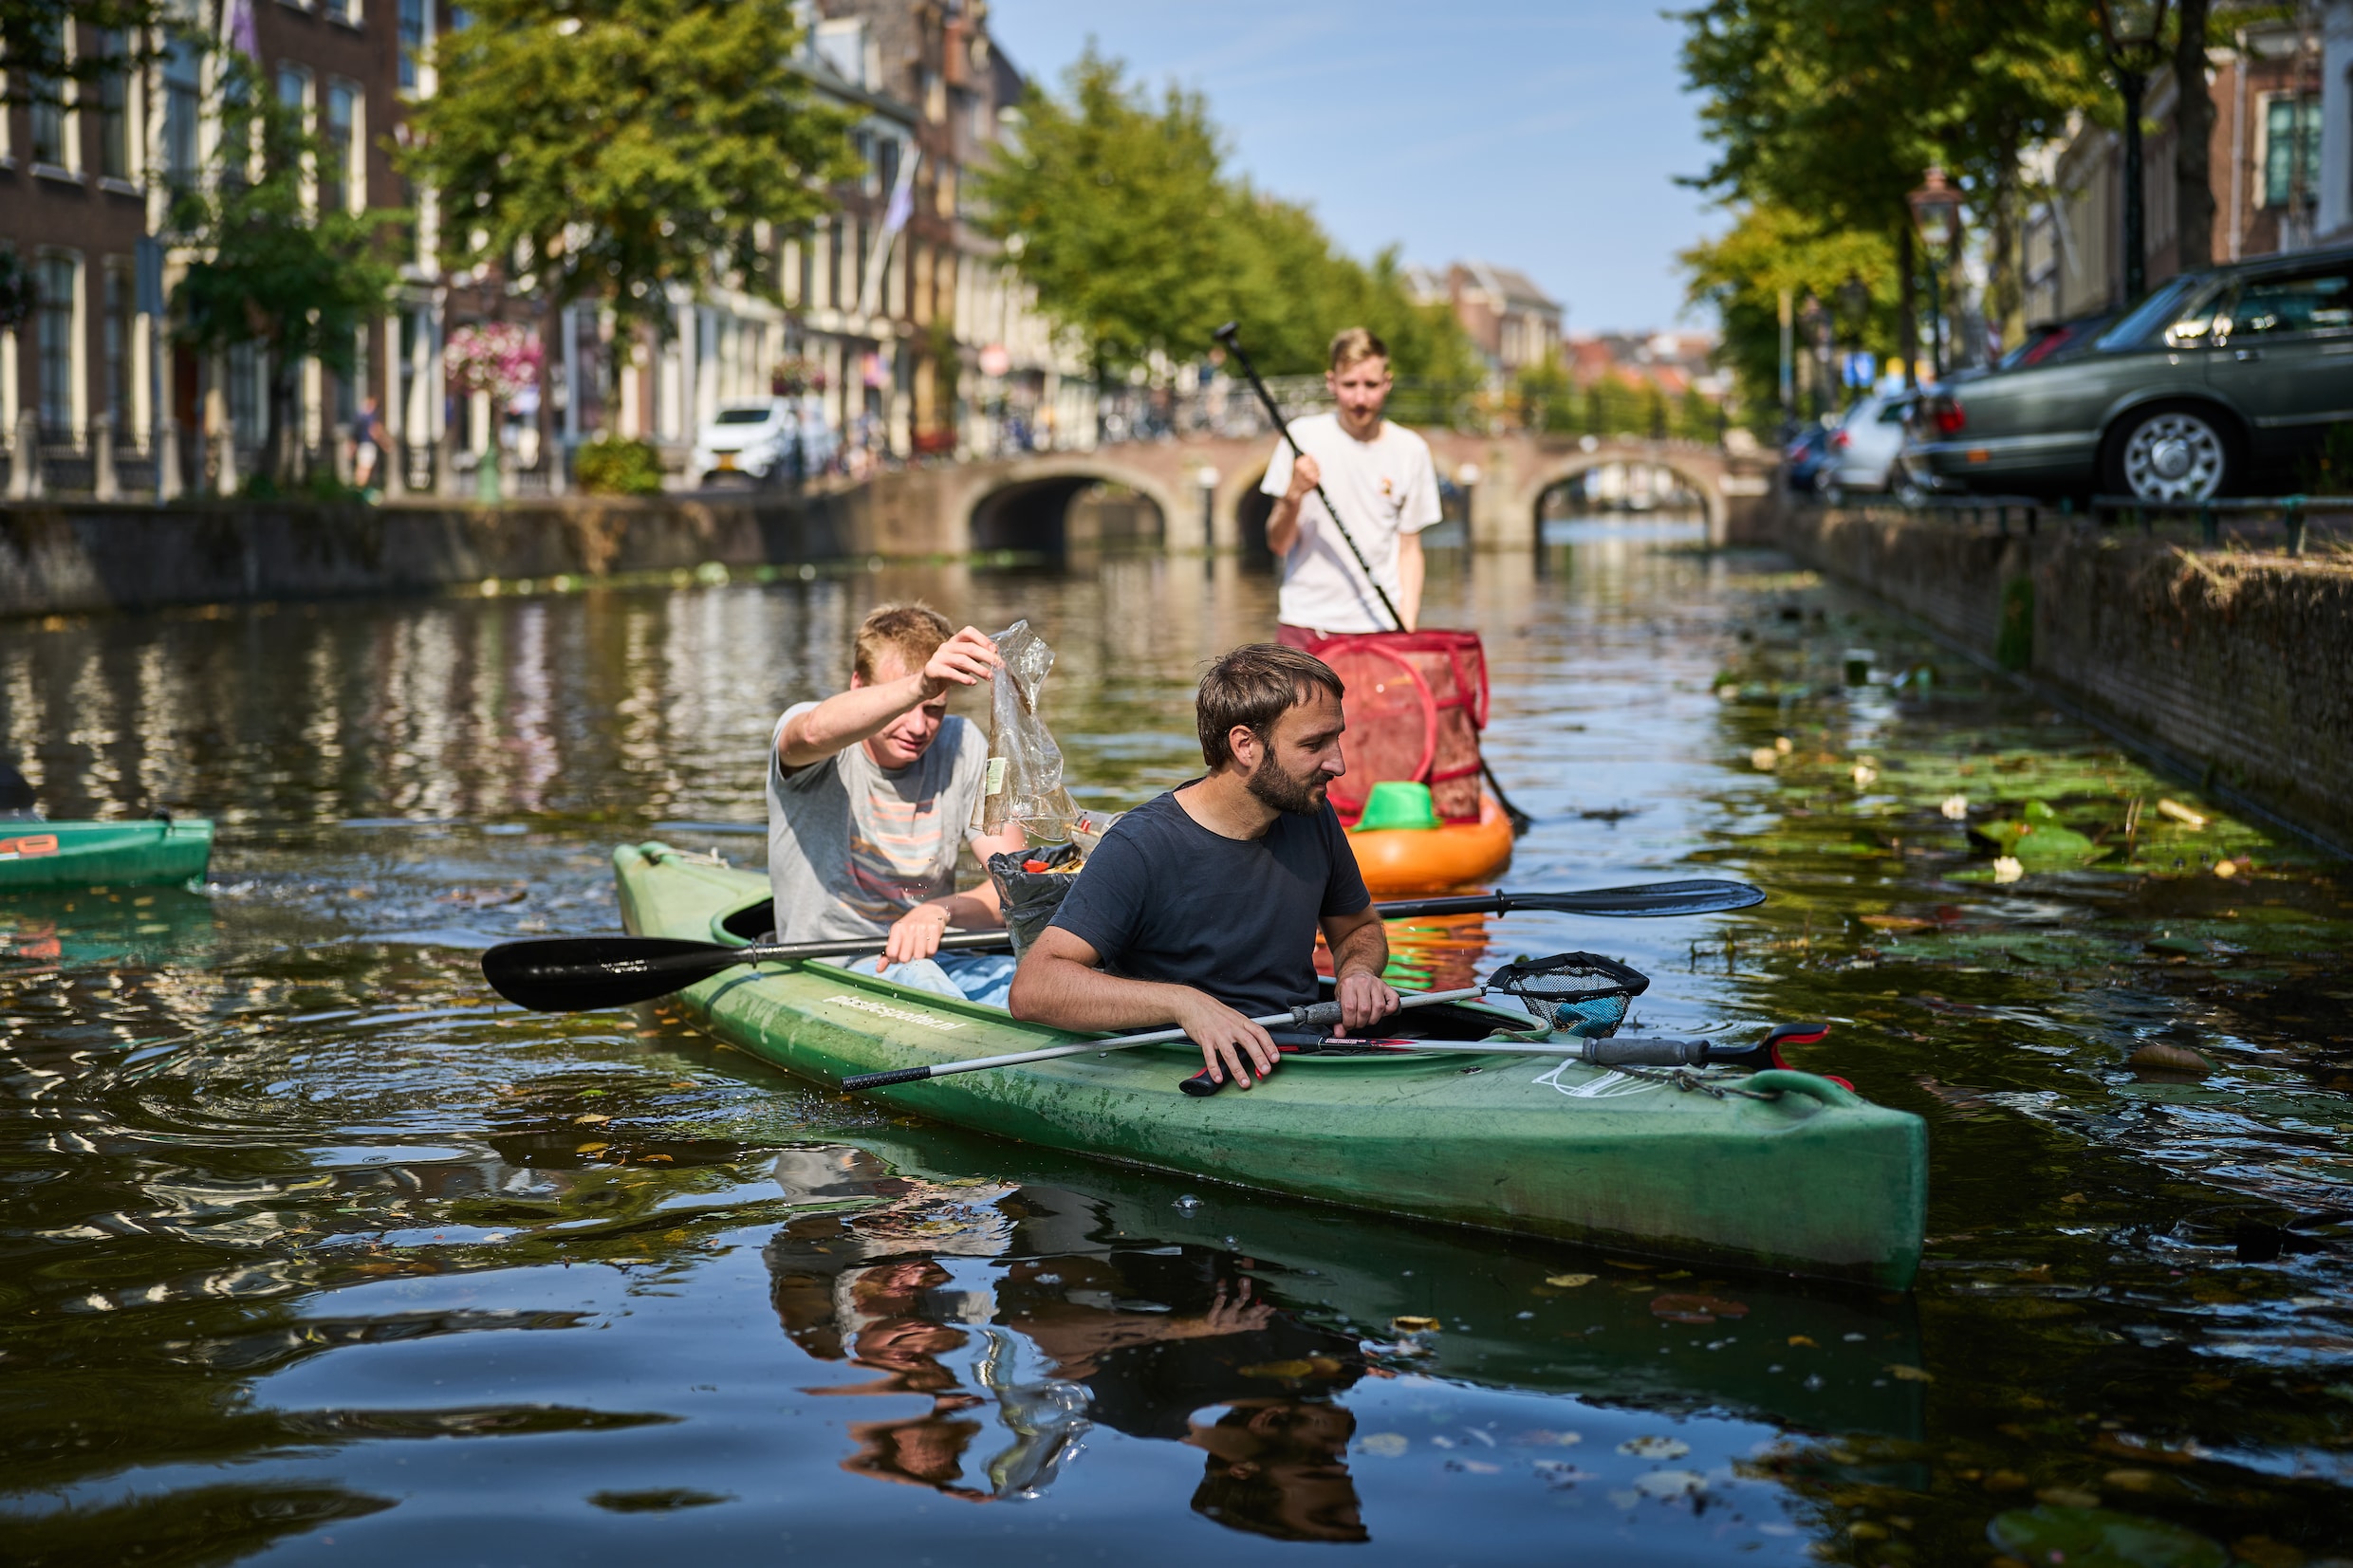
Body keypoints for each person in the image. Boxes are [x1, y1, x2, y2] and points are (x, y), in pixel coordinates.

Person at [1008, 643, 1400, 1087]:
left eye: (1337, 738)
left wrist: (1358, 973)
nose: (1339, 764)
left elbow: (1357, 930)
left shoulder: (1313, 816)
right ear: (1245, 745)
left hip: (1303, 1049)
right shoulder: (1140, 846)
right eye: (1314, 745)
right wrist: (1184, 1003)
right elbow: (1033, 988)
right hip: (1190, 1069)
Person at [769, 603, 1023, 1005]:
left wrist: (940, 910)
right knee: (916, 974)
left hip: (940, 957)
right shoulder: (813, 729)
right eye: (905, 707)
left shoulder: (963, 743)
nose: (919, 727)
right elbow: (814, 733)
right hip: (831, 967)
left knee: (1032, 979)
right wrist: (921, 685)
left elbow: (1017, 887)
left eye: (935, 709)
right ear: (858, 685)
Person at [1259, 327, 1442, 642]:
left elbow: (1410, 549)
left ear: (1387, 383)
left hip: (1378, 626)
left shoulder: (1411, 450)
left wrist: (1407, 624)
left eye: (1370, 385)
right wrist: (1293, 494)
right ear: (1331, 382)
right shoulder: (1300, 437)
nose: (1360, 398)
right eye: (1349, 385)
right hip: (1305, 623)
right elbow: (1278, 543)